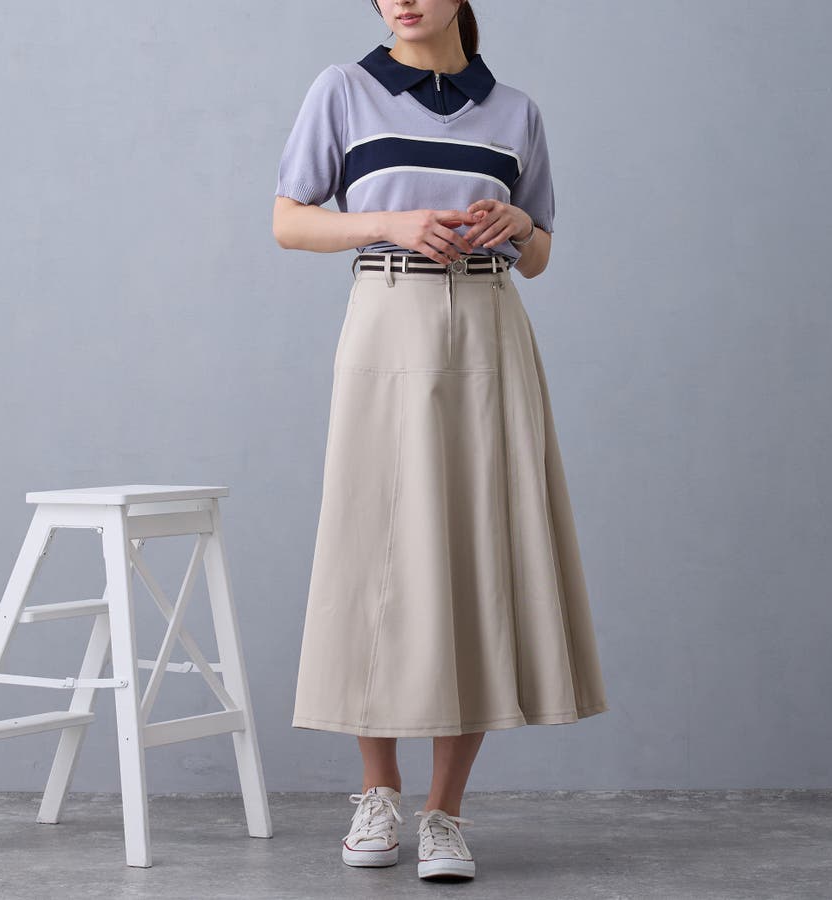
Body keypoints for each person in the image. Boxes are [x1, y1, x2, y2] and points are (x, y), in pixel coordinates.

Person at [272, 0, 608, 883]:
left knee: (476, 552)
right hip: (388, 314)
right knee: (373, 550)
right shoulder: (343, 89)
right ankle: (377, 793)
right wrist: (387, 222)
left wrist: (520, 228)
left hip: (491, 327)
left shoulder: (515, 110)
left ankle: (445, 813)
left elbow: (540, 251)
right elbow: (290, 219)